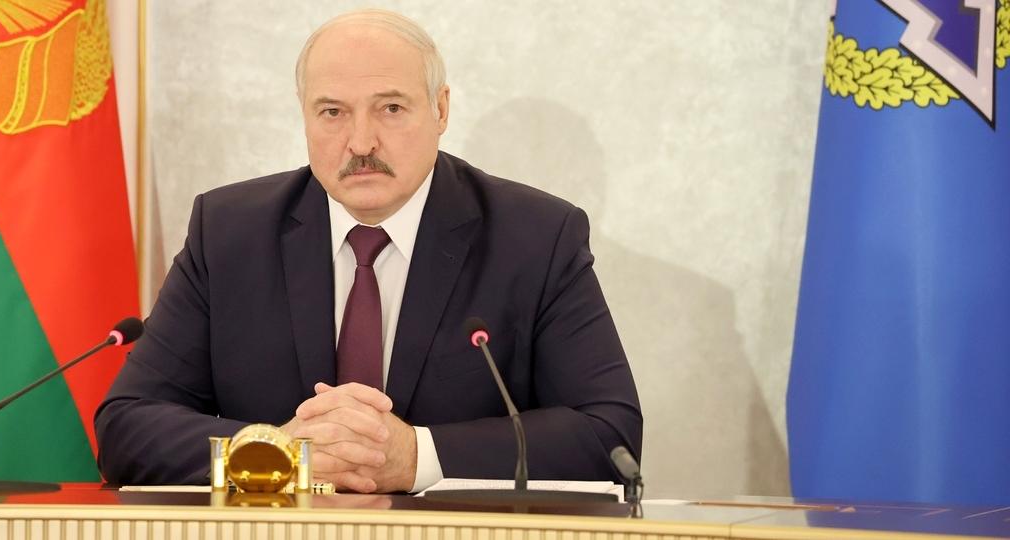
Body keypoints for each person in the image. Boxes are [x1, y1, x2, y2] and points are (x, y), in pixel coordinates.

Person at [95, 8, 642, 493]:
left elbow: (610, 435)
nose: (360, 142)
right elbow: (126, 427)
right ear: (304, 114)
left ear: (441, 109)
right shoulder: (229, 233)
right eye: (332, 112)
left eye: (391, 108)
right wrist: (280, 453)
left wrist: (416, 457)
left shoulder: (536, 237)